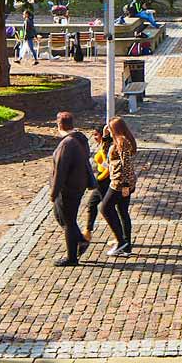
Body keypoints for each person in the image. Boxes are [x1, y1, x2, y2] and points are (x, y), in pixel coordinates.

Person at [49, 111, 93, 266]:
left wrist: (53, 193)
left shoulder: (66, 144)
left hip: (68, 189)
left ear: (59, 125)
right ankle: (80, 240)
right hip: (78, 185)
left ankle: (72, 257)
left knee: (68, 222)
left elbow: (61, 171)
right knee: (63, 217)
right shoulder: (80, 139)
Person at [99, 116, 138, 256]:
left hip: (120, 183)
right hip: (121, 181)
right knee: (122, 211)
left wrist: (126, 185)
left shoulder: (122, 142)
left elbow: (126, 164)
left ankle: (121, 241)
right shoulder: (117, 141)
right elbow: (105, 154)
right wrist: (105, 137)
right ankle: (126, 245)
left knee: (104, 207)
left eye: (110, 128)